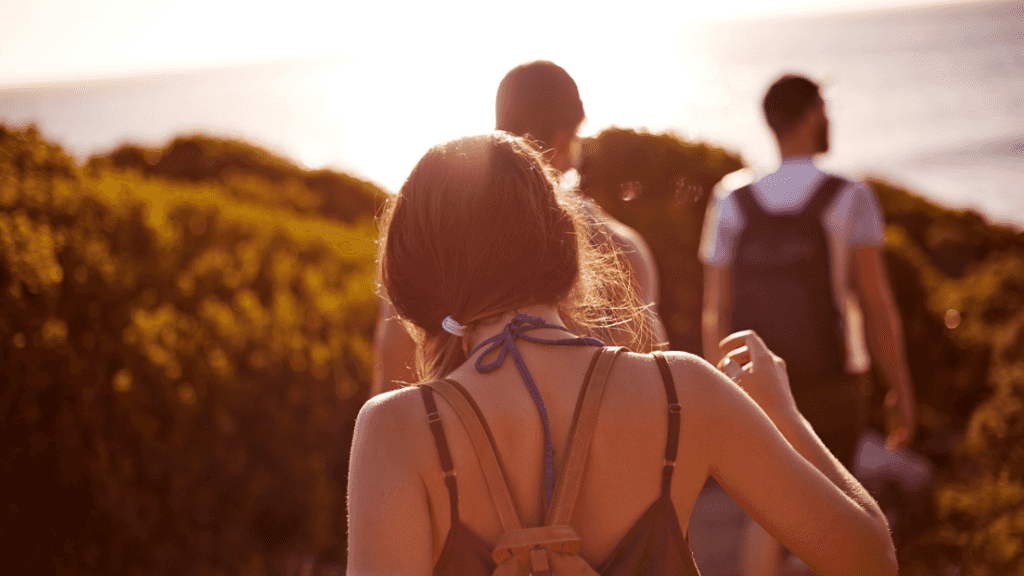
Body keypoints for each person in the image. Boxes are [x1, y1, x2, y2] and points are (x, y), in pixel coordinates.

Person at [347, 132, 897, 576]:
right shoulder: (685, 392)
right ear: (564, 242)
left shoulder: (397, 430)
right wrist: (787, 418)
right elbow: (871, 559)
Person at [699, 74, 917, 576]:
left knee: (768, 511)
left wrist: (720, 393)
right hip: (835, 382)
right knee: (836, 511)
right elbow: (877, 307)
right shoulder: (849, 196)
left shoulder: (730, 198)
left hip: (756, 381)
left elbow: (716, 310)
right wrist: (901, 390)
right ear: (813, 114)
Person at [371, 60, 667, 395]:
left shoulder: (431, 237)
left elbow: (393, 365)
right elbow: (649, 381)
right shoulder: (621, 247)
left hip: (458, 438)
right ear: (565, 138)